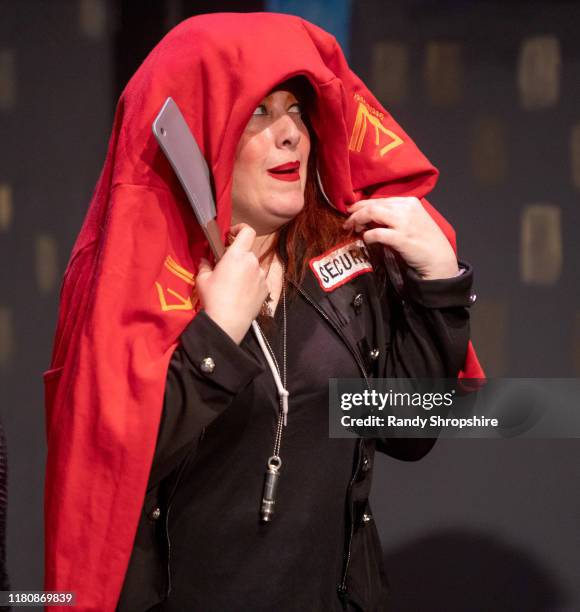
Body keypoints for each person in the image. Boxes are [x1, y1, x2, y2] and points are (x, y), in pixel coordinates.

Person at [43, 12, 484, 612]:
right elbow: (106, 474)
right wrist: (215, 338)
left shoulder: (338, 273)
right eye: (259, 112)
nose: (291, 135)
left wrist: (440, 286)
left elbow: (408, 428)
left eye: (298, 111)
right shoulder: (136, 289)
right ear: (203, 133)